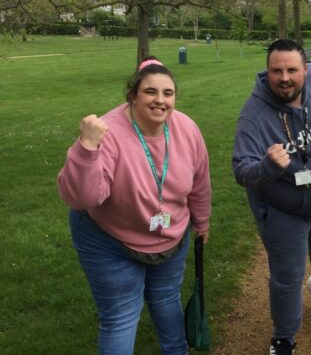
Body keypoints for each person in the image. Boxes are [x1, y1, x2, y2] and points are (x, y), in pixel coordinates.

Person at [58, 57, 211, 355]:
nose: (160, 100)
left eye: (168, 93)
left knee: (166, 298)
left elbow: (200, 180)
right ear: (132, 97)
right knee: (121, 317)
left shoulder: (187, 129)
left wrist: (202, 221)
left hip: (170, 236)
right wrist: (86, 149)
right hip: (109, 238)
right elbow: (83, 198)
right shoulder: (109, 132)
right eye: (150, 92)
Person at [232, 39, 311, 355]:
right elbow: (241, 170)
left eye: (292, 70)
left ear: (305, 70)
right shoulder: (253, 117)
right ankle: (284, 336)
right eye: (276, 71)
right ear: (266, 72)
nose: (284, 78)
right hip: (283, 210)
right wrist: (268, 166)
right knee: (287, 276)